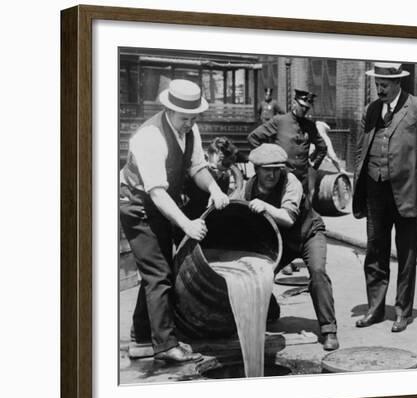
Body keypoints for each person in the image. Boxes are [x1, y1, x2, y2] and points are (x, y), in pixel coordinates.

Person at [119, 79, 229, 363]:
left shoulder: (190, 129)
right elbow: (156, 191)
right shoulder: (150, 137)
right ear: (169, 109)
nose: (189, 124)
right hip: (138, 204)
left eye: (193, 118)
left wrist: (215, 188)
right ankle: (165, 345)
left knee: (158, 271)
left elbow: (197, 167)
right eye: (184, 119)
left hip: (158, 202)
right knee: (159, 274)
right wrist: (187, 224)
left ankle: (141, 340)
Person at [353, 62, 417, 333]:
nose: (380, 89)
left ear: (398, 83)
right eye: (377, 85)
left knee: (407, 255)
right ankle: (374, 309)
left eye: (384, 85)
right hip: (375, 191)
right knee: (375, 251)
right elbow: (361, 149)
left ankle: (402, 312)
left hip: (407, 191)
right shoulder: (371, 110)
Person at [235, 143, 339, 351]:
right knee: (259, 273)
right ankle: (270, 310)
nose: (272, 174)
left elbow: (288, 218)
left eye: (276, 169)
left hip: (309, 233)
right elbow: (238, 207)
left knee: (318, 273)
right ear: (256, 170)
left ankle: (329, 329)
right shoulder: (250, 187)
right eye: (267, 170)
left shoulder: (291, 182)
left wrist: (265, 206)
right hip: (283, 241)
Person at [248, 89, 327, 199]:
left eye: (307, 108)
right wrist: (266, 160)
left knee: (302, 211)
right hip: (281, 180)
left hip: (301, 181)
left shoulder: (310, 126)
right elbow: (253, 138)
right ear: (294, 103)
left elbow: (322, 148)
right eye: (302, 106)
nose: (304, 110)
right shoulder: (280, 121)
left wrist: (314, 164)